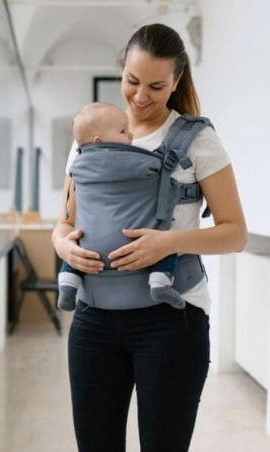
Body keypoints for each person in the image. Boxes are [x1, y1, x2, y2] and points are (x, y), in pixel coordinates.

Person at [52, 23, 247, 452]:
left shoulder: (197, 140)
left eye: (157, 86)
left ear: (176, 81)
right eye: (132, 81)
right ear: (121, 72)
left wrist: (167, 243)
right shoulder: (90, 138)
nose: (141, 97)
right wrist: (63, 246)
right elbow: (64, 223)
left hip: (171, 320)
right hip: (94, 318)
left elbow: (235, 233)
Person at [58, 101, 185, 312]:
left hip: (89, 249)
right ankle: (159, 281)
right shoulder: (142, 161)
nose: (131, 136)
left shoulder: (77, 164)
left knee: (76, 243)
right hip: (136, 244)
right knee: (167, 247)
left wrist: (63, 246)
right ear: (99, 140)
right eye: (123, 131)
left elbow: (65, 220)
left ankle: (67, 283)